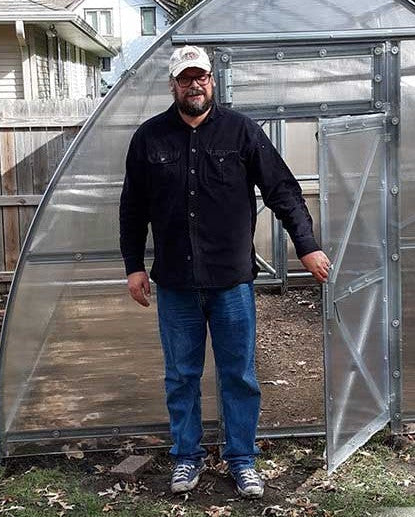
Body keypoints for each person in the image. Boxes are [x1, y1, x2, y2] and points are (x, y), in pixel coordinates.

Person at [119, 45, 331, 498]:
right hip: (175, 282)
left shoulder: (242, 133)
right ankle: (186, 458)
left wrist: (307, 246)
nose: (194, 85)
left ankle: (241, 459)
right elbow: (132, 208)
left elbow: (284, 191)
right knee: (181, 375)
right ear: (173, 85)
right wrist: (134, 266)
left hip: (231, 281)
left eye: (202, 77)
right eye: (185, 78)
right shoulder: (149, 139)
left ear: (212, 81)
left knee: (238, 374)